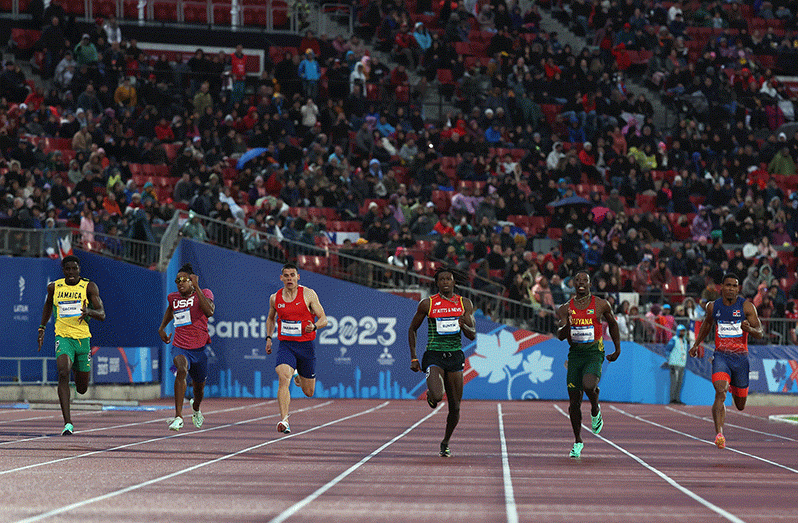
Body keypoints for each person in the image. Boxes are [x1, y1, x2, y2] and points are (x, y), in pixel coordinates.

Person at [689, 272, 763, 449]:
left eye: (734, 286)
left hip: (741, 360)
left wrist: (750, 329)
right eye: (728, 285)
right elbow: (707, 325)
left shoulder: (747, 307)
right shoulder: (713, 307)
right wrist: (696, 344)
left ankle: (732, 384)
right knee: (720, 392)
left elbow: (760, 333)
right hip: (721, 356)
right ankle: (719, 434)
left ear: (738, 288)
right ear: (721, 287)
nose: (731, 289)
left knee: (740, 405)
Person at [408, 267, 476, 457]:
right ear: (437, 283)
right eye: (442, 279)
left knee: (455, 407)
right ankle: (432, 395)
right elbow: (412, 329)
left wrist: (465, 325)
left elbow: (472, 335)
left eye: (449, 279)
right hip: (434, 355)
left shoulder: (464, 303)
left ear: (454, 282)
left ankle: (445, 442)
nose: (446, 282)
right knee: (438, 396)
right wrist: (414, 357)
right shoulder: (427, 304)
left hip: (455, 355)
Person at [37, 255, 106, 435]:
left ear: (79, 269)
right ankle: (68, 423)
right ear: (63, 270)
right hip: (63, 337)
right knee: (62, 372)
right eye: (68, 269)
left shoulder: (89, 287)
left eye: (74, 269)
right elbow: (47, 306)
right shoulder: (54, 287)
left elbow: (102, 314)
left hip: (83, 340)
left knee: (82, 389)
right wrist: (42, 327)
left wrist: (89, 311)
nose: (71, 272)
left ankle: (77, 366)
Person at [556, 271, 621, 458]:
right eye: (577, 281)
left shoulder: (601, 304)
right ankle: (577, 441)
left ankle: (595, 407)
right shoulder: (565, 308)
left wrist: (617, 349)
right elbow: (560, 335)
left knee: (589, 385)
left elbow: (613, 325)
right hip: (575, 354)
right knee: (573, 402)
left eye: (584, 280)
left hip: (593, 353)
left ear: (590, 284)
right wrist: (568, 323)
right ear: (573, 284)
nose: (580, 283)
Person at [265, 263, 328, 434]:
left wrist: (314, 327)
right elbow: (270, 319)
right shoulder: (275, 298)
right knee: (283, 376)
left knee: (309, 392)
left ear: (298, 277)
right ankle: (284, 420)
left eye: (292, 275)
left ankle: (299, 376)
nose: (289, 279)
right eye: (286, 276)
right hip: (286, 345)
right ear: (281, 278)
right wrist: (269, 337)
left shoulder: (308, 294)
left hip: (306, 346)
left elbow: (324, 319)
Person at [158, 263, 215, 431]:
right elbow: (170, 310)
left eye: (184, 280)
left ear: (191, 281)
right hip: (180, 346)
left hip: (199, 349)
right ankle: (178, 416)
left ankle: (196, 408)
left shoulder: (204, 293)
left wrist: (197, 287)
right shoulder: (173, 297)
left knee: (198, 391)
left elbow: (210, 312)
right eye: (177, 280)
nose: (180, 283)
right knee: (181, 369)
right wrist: (162, 328)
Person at [665, 324, 689, 404]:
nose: (682, 333)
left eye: (683, 331)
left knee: (679, 382)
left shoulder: (685, 341)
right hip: (674, 364)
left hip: (682, 364)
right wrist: (668, 359)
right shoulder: (674, 340)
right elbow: (668, 350)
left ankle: (677, 399)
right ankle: (672, 399)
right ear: (678, 331)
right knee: (674, 382)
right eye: (681, 331)